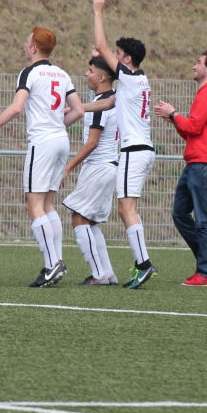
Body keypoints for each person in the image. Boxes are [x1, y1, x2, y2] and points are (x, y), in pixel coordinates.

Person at [0, 28, 84, 288]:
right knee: (48, 204)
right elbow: (79, 110)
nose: (24, 45)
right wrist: (57, 125)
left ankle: (51, 265)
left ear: (34, 48)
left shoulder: (30, 72)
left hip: (43, 142)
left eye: (27, 42)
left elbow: (16, 107)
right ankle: (56, 262)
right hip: (61, 141)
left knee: (34, 205)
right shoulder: (62, 73)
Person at [87, 0, 159, 289]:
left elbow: (100, 46)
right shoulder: (138, 80)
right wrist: (76, 108)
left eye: (118, 54)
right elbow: (108, 103)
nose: (113, 56)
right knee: (126, 208)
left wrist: (98, 12)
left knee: (126, 209)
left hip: (133, 151)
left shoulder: (128, 75)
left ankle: (143, 264)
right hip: (143, 150)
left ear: (127, 59)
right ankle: (143, 263)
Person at [154, 51, 207, 288]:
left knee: (204, 219)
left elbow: (193, 127)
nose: (194, 66)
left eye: (198, 63)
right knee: (180, 214)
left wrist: (174, 113)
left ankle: (205, 273)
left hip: (203, 164)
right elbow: (191, 131)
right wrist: (175, 119)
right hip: (196, 162)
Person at [62, 56, 119, 285]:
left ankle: (98, 275)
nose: (87, 74)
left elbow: (92, 142)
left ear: (102, 77)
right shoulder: (109, 100)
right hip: (108, 166)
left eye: (91, 70)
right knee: (91, 221)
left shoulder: (102, 104)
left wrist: (68, 167)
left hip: (99, 167)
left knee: (79, 217)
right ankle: (108, 273)